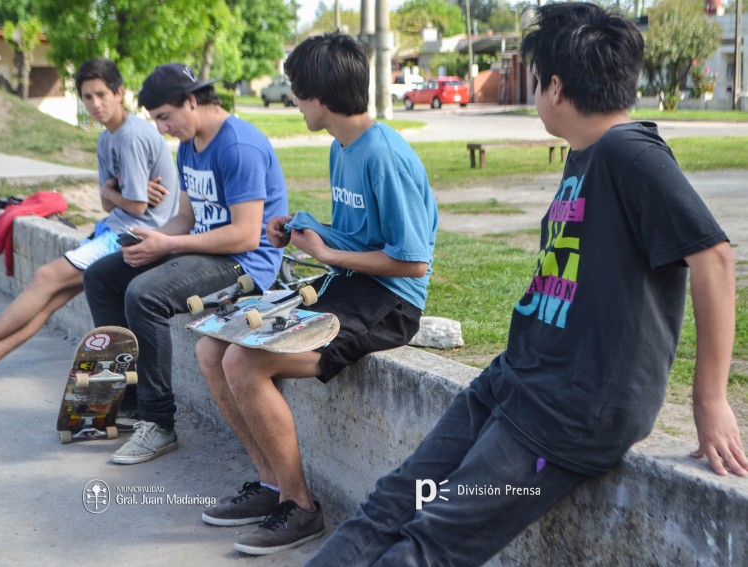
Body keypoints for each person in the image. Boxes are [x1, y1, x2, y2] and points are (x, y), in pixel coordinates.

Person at [305, 4, 748, 566]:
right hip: (516, 379)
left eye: (536, 80)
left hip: (565, 412)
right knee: (393, 502)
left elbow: (714, 258)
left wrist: (710, 399)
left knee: (431, 544)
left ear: (555, 87)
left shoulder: (629, 152)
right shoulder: (587, 155)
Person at [194, 33, 438, 556]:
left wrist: (327, 256)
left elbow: (413, 259)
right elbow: (358, 234)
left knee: (245, 362)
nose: (296, 102)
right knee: (211, 348)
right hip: (350, 284)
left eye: (298, 93)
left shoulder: (384, 155)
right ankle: (269, 487)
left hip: (390, 301)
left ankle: (300, 507)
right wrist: (306, 229)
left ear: (321, 97)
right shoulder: (340, 148)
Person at [0, 57, 179, 390]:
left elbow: (138, 204)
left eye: (102, 94)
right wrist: (113, 193)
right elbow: (105, 200)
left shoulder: (131, 135)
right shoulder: (105, 140)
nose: (95, 104)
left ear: (119, 93)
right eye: (87, 97)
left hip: (134, 235)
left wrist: (113, 192)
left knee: (45, 278)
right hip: (115, 227)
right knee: (52, 296)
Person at [82, 63, 289, 466]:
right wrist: (155, 241)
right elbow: (185, 220)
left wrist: (170, 244)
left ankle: (158, 422)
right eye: (156, 119)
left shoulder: (237, 146)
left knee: (145, 295)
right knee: (103, 277)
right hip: (203, 253)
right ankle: (127, 399)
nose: (161, 129)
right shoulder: (191, 146)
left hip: (246, 267)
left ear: (191, 102)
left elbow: (247, 235)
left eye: (164, 117)